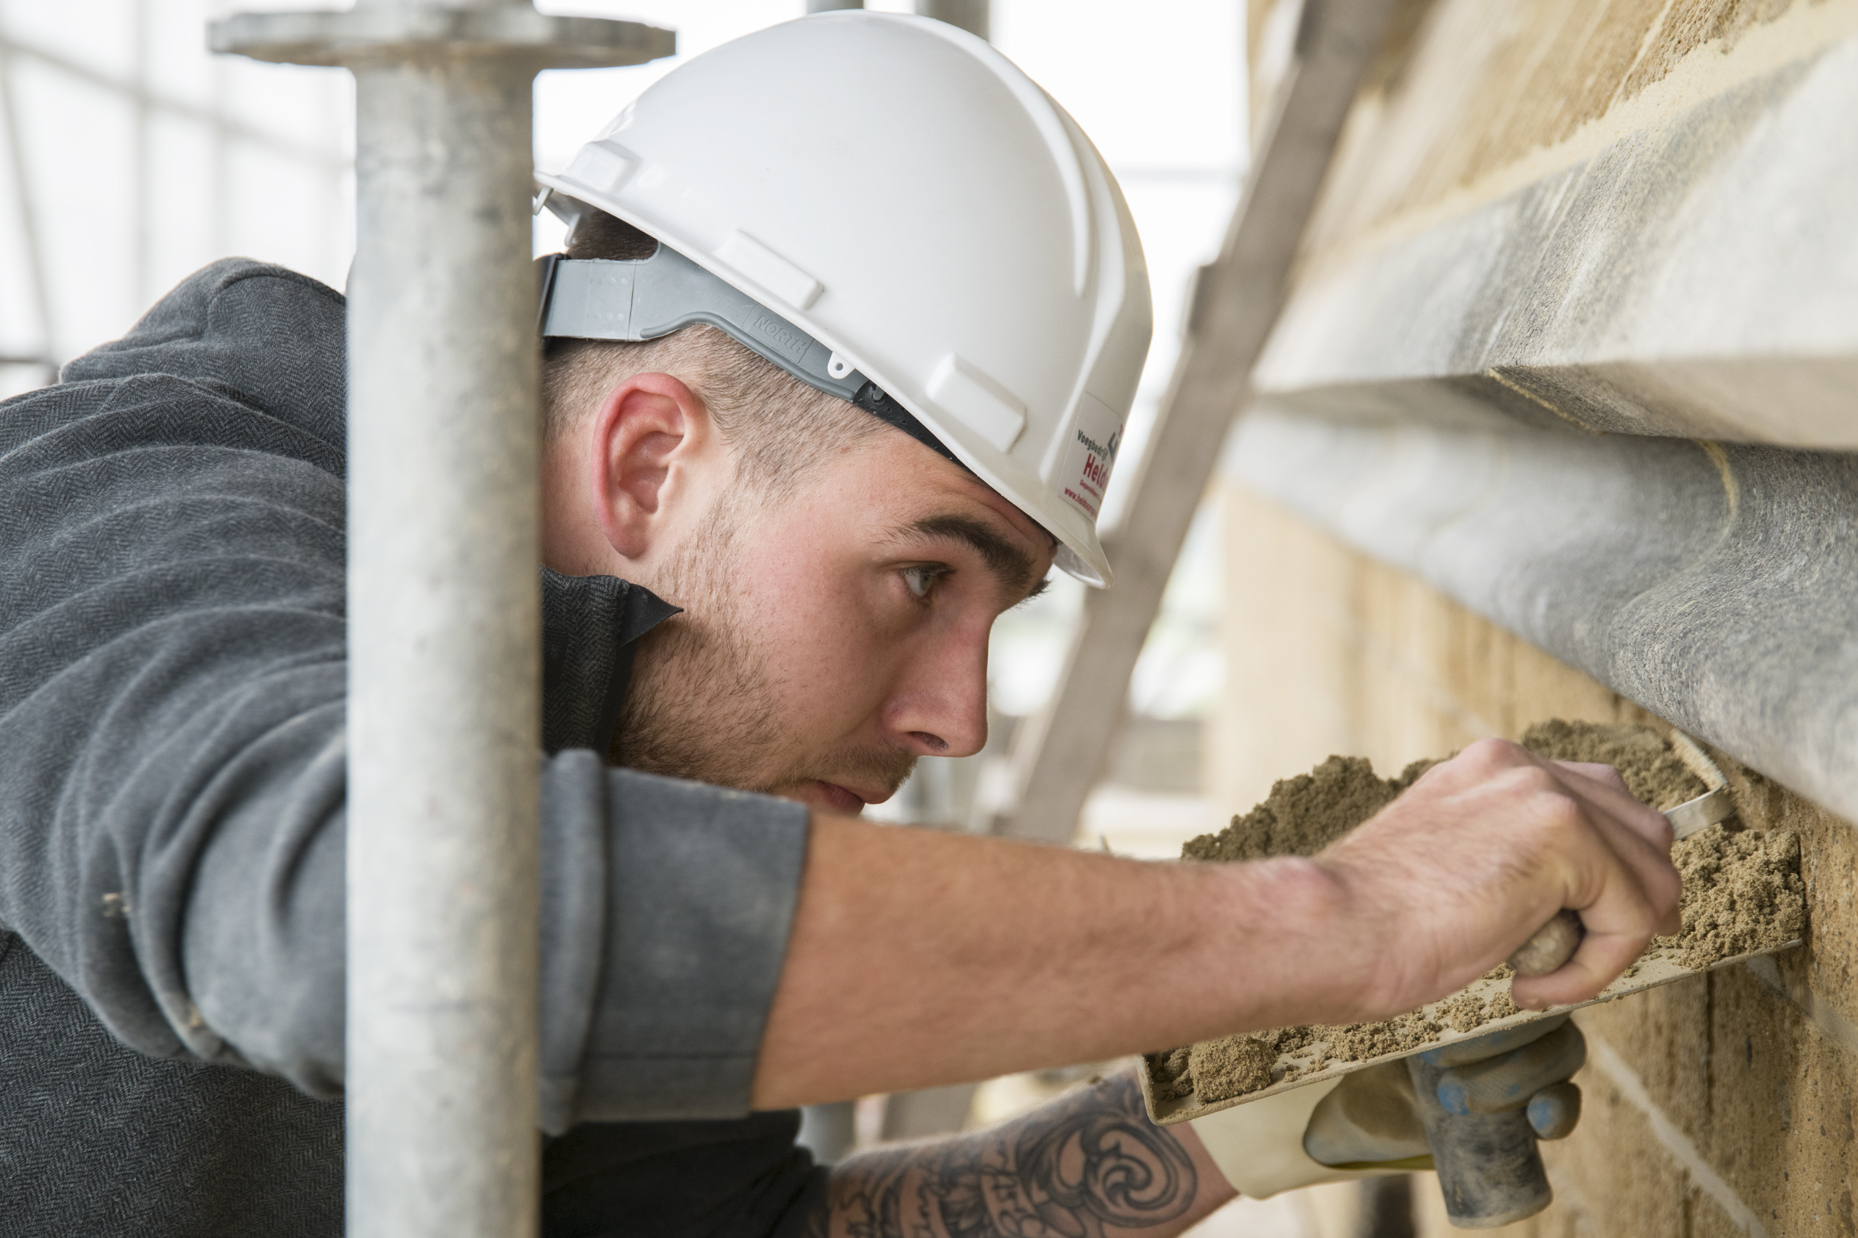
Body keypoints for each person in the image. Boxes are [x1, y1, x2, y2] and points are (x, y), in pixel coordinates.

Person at [0, 12, 1679, 1237]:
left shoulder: (634, 754)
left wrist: (1211, 1138)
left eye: (998, 608)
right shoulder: (133, 519)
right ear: (650, 457)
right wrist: (1341, 919)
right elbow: (384, 930)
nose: (957, 713)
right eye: (918, 580)